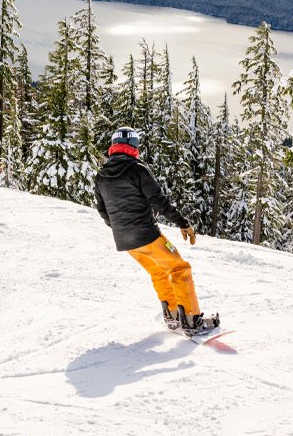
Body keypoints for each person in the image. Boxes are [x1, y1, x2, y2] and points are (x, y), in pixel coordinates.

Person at [93, 127, 219, 335]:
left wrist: (119, 227)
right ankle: (191, 320)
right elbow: (159, 201)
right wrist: (182, 223)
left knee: (158, 271)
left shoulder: (102, 175)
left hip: (125, 241)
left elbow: (102, 209)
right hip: (147, 234)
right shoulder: (138, 169)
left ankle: (171, 315)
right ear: (134, 146)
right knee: (180, 269)